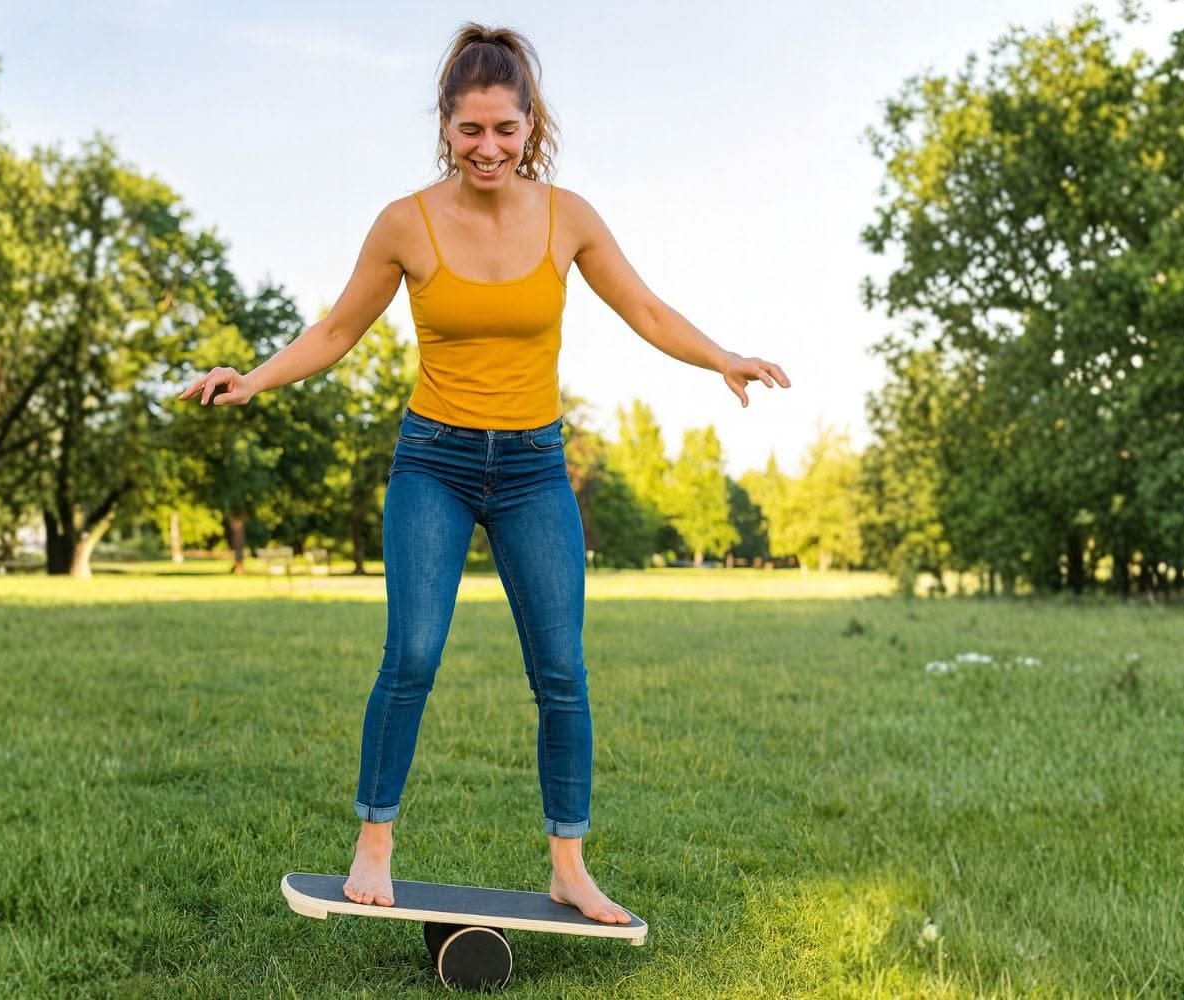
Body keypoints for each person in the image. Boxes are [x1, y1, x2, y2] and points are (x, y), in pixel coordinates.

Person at [178, 21, 790, 924]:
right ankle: (374, 841)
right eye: (471, 129)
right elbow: (336, 330)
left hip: (537, 469)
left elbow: (647, 310)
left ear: (530, 123)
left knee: (562, 671)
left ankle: (568, 866)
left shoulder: (568, 216)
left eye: (505, 128)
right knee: (413, 653)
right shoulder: (406, 223)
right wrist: (254, 378)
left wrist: (721, 358)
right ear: (445, 125)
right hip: (436, 459)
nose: (489, 147)